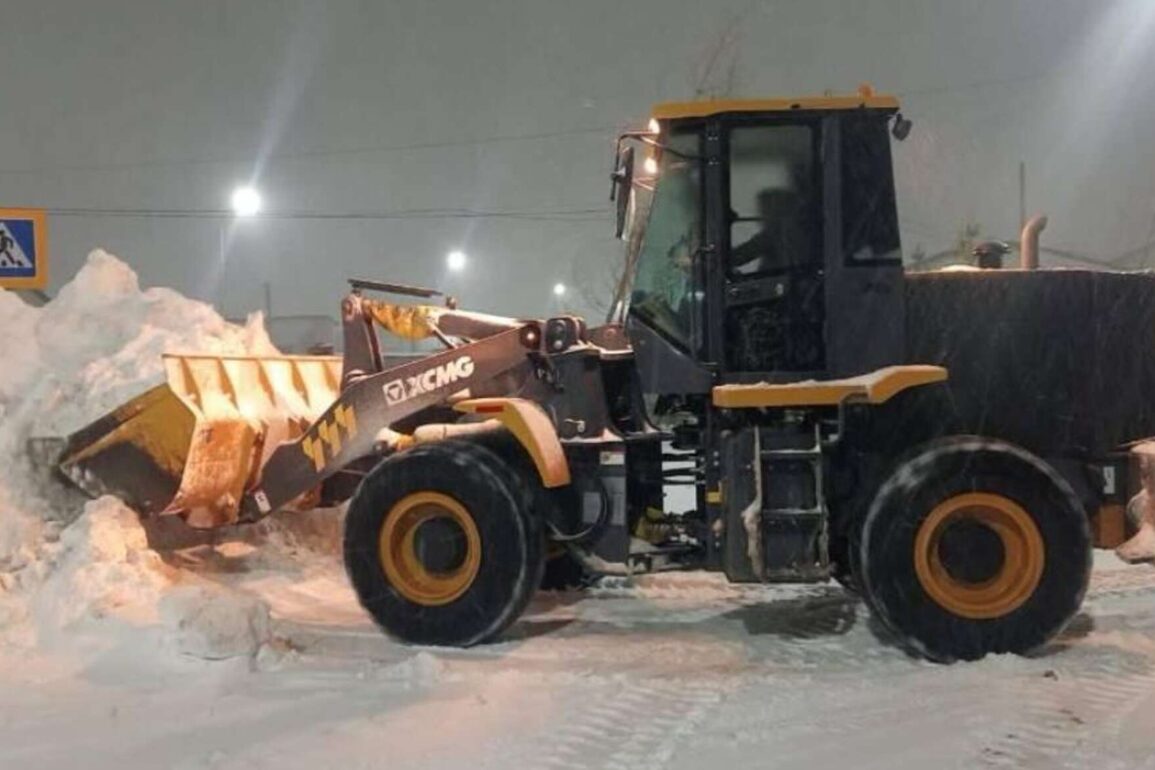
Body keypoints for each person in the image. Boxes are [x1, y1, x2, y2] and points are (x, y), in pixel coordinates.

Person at [730, 187, 815, 274]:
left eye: (764, 210)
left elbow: (740, 255)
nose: (762, 213)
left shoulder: (775, 233)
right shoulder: (805, 229)